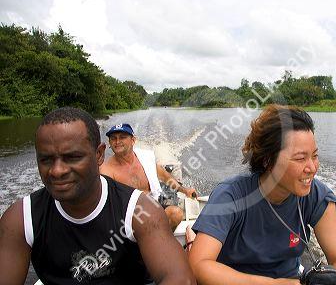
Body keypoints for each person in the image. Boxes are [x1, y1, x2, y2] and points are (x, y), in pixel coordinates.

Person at [0, 107, 196, 285]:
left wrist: (184, 190)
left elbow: (181, 279)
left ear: (99, 154)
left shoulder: (140, 188)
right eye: (45, 159)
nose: (57, 171)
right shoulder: (21, 218)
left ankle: (152, 251)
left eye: (73, 157)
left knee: (173, 213)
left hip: (146, 213)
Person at [188, 105, 336, 285]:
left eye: (314, 156)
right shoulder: (230, 196)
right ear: (268, 161)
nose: (312, 168)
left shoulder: (317, 196)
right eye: (300, 158)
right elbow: (198, 265)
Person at [100, 123, 197, 231]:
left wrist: (185, 190)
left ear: (133, 140)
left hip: (154, 204)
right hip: (129, 218)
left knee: (176, 214)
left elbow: (165, 177)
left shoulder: (145, 158)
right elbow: (106, 205)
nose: (117, 142)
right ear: (109, 142)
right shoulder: (106, 170)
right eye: (113, 138)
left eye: (122, 137)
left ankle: (160, 239)